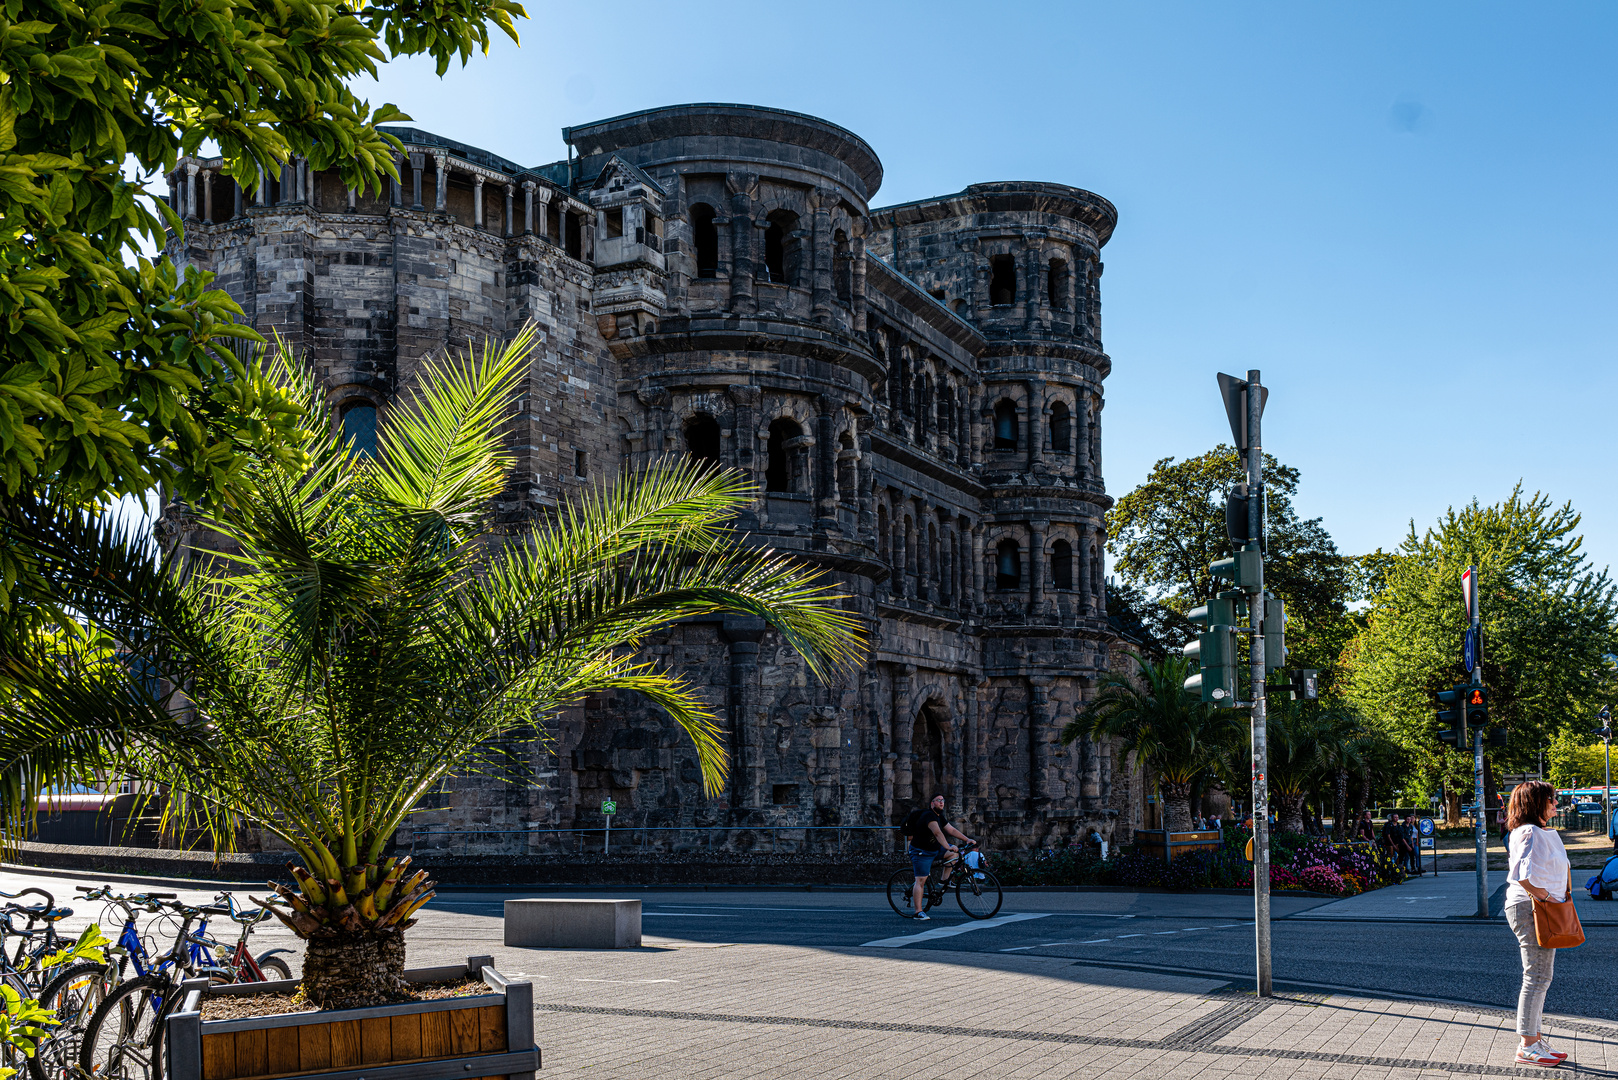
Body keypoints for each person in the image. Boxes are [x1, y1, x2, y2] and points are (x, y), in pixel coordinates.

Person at [1503, 780, 1571, 1067]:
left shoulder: (1535, 831)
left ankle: (1534, 1038)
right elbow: (1524, 875)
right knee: (1537, 976)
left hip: (1535, 906)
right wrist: (1546, 900)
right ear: (1535, 803)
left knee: (1541, 976)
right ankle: (1528, 1045)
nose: (1555, 804)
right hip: (1531, 907)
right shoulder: (1529, 832)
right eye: (1551, 799)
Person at [904, 793, 976, 921]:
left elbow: (951, 830)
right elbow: (937, 833)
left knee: (955, 854)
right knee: (920, 881)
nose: (941, 803)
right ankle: (918, 912)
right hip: (921, 852)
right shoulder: (929, 816)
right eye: (938, 800)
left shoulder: (939, 816)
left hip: (934, 849)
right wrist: (947, 846)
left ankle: (943, 880)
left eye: (943, 800)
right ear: (932, 803)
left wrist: (967, 839)